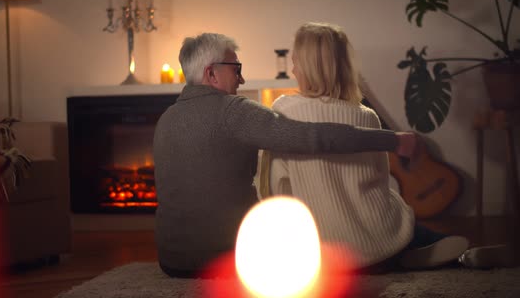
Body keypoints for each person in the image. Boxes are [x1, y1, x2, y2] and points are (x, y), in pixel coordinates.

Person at [153, 32, 421, 278]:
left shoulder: (165, 118)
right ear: (211, 74)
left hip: (171, 262)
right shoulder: (233, 110)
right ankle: (408, 245)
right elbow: (314, 137)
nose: (242, 79)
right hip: (228, 260)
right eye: (236, 69)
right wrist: (392, 140)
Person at [262, 22, 514, 272]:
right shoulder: (367, 117)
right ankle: (421, 250)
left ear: (306, 65)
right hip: (378, 236)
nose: (293, 68)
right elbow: (381, 180)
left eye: (295, 60)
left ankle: (401, 254)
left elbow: (278, 187)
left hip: (322, 250)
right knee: (408, 224)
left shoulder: (283, 113)